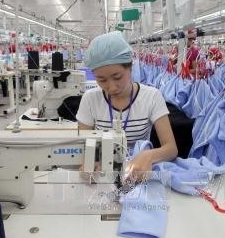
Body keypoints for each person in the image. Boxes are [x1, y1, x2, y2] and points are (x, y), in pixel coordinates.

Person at [76, 32, 178, 181]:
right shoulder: (90, 99)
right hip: (102, 176)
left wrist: (148, 155)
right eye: (102, 80)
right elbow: (83, 146)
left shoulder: (152, 97)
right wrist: (88, 163)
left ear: (130, 67)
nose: (111, 87)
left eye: (117, 77)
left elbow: (171, 149)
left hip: (138, 172)